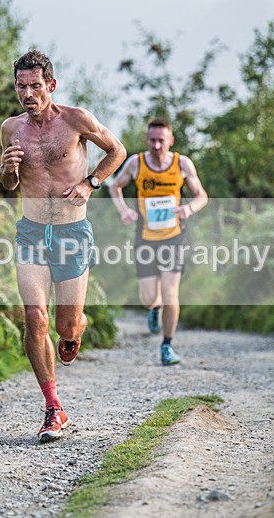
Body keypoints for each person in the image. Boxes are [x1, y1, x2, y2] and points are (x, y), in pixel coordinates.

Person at [0, 50, 126, 442]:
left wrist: (91, 183)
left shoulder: (76, 119)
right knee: (34, 316)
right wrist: (7, 168)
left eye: (35, 86)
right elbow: (8, 185)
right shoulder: (11, 129)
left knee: (65, 325)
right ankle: (54, 407)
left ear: (50, 85)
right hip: (32, 233)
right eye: (21, 86)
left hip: (72, 233)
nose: (28, 94)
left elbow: (117, 151)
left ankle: (74, 333)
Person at [108, 117, 208, 366]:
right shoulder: (136, 163)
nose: (156, 145)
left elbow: (201, 195)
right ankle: (154, 309)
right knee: (148, 296)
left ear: (170, 141)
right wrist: (124, 211)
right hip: (145, 236)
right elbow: (115, 187)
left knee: (171, 292)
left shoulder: (182, 164)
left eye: (161, 140)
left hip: (174, 236)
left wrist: (189, 209)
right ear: (147, 140)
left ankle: (167, 346)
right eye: (152, 140)